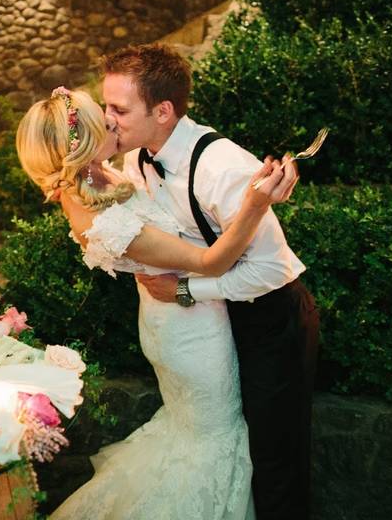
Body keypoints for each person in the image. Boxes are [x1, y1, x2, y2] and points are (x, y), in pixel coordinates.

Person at [16, 87, 297, 519]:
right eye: (104, 121)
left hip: (171, 322)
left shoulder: (93, 179)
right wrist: (255, 205)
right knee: (211, 438)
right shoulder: (108, 221)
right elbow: (211, 260)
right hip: (192, 334)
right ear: (87, 144)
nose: (113, 121)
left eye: (114, 113)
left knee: (191, 434)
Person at [101, 43, 320, 520]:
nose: (107, 119)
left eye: (118, 109)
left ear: (163, 111)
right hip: (208, 328)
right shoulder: (135, 159)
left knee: (273, 459)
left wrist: (185, 291)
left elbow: (272, 269)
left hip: (269, 319)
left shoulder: (223, 167)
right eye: (105, 107)